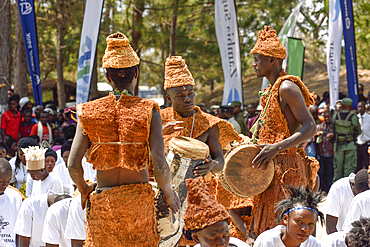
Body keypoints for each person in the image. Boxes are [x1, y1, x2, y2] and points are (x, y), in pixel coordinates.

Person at [68, 32, 179, 246]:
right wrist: (168, 193)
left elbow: (73, 164)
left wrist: (83, 189)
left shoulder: (89, 112)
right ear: (136, 73)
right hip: (139, 206)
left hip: (103, 204)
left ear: (108, 77)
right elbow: (159, 163)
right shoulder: (149, 110)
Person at [249, 26, 318, 235]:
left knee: (284, 231)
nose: (254, 64)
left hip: (287, 170)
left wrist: (276, 147)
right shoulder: (271, 90)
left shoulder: (287, 87)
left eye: (257, 59)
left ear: (272, 60)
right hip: (271, 169)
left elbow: (311, 127)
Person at [183, 177, 250, 247]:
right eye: (214, 237)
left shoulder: (239, 245)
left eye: (225, 235)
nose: (222, 244)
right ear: (196, 238)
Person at [253, 186, 324, 247]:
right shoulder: (267, 241)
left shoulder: (314, 245)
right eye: (299, 221)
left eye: (311, 224)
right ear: (286, 218)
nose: (305, 229)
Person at [324, 169, 370, 234]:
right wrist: (338, 242)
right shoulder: (338, 189)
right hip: (338, 238)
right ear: (353, 184)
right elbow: (330, 225)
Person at [332, 98, 361, 182]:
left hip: (338, 146)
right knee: (349, 170)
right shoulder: (354, 118)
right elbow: (358, 131)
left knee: (337, 170)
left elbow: (333, 130)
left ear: (342, 106)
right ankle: (348, 189)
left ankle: (336, 189)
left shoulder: (335, 117)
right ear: (351, 106)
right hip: (350, 145)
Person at [0, 158, 23, 247]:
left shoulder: (15, 197)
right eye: (1, 182)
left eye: (8, 181)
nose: (5, 185)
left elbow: (20, 228)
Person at [316, 110, 335, 192]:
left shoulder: (334, 128)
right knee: (321, 172)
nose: (327, 118)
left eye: (328, 117)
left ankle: (328, 190)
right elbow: (314, 140)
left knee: (329, 173)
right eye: (325, 117)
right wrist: (316, 135)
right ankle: (321, 190)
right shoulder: (319, 127)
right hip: (321, 154)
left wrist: (333, 136)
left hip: (330, 154)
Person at [356, 101, 370, 172]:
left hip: (366, 144)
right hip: (357, 145)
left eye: (361, 107)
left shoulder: (369, 118)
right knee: (357, 165)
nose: (360, 109)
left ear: (365, 108)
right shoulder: (355, 118)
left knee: (367, 164)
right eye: (359, 107)